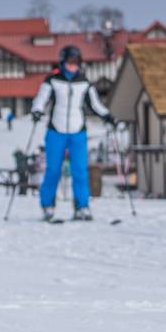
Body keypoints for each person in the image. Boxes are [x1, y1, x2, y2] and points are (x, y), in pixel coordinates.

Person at [31, 44, 111, 221]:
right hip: (56, 131)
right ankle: (48, 206)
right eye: (70, 61)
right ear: (63, 62)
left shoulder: (84, 83)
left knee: (80, 171)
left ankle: (82, 207)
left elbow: (95, 104)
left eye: (76, 62)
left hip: (77, 132)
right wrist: (37, 110)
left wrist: (107, 115)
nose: (73, 65)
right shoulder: (52, 81)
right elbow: (41, 99)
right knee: (53, 170)